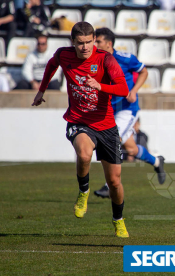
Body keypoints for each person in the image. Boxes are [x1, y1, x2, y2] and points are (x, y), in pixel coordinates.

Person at [32, 22, 130, 238]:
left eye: (88, 42)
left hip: (106, 126)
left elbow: (124, 89)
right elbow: (51, 65)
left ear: (94, 40)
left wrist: (100, 86)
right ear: (72, 42)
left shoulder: (106, 59)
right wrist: (41, 90)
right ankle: (83, 193)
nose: (85, 47)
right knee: (84, 153)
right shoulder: (64, 55)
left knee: (114, 182)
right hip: (79, 121)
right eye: (80, 43)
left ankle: (118, 220)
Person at [93, 27, 166, 199]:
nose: (95, 44)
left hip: (126, 109)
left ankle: (109, 185)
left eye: (98, 41)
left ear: (109, 44)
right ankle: (157, 161)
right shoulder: (95, 60)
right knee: (131, 149)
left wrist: (133, 91)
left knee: (111, 139)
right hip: (108, 110)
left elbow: (144, 71)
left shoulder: (124, 59)